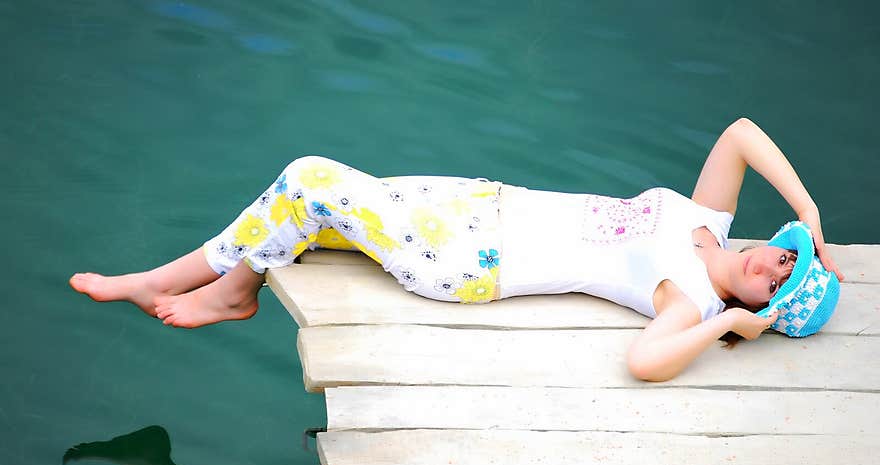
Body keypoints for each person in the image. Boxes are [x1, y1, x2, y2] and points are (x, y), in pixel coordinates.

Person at [69, 118, 844, 382]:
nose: (775, 263)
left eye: (782, 281)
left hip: (470, 261)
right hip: (477, 203)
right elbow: (742, 133)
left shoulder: (693, 300)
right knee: (296, 202)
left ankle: (225, 290)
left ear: (759, 306)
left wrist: (733, 330)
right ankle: (185, 282)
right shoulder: (709, 215)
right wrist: (808, 210)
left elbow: (646, 362)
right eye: (786, 255)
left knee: (309, 180)